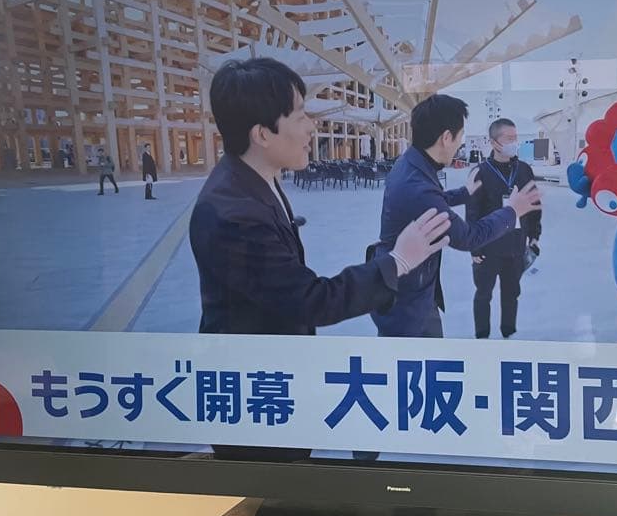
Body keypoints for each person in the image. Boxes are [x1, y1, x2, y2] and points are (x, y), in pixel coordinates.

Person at [189, 58, 452, 462]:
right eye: (299, 115)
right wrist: (399, 260)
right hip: (255, 400)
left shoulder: (254, 181)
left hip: (274, 375)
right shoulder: (234, 214)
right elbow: (311, 299)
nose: (312, 127)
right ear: (262, 134)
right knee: (275, 482)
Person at [370, 94, 542, 338]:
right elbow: (467, 237)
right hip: (407, 300)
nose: (460, 145)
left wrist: (463, 193)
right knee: (418, 357)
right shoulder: (418, 184)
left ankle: (507, 331)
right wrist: (512, 211)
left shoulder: (410, 164)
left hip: (410, 285)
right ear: (446, 137)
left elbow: (433, 199)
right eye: (460, 137)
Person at [467, 118, 541, 338]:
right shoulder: (480, 173)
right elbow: (472, 213)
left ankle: (508, 334)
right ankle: (482, 337)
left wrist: (534, 235)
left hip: (516, 246)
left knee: (511, 294)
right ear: (493, 142)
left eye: (515, 138)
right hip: (488, 248)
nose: (514, 143)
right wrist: (474, 247)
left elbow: (534, 205)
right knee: (483, 295)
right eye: (508, 138)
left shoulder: (524, 170)